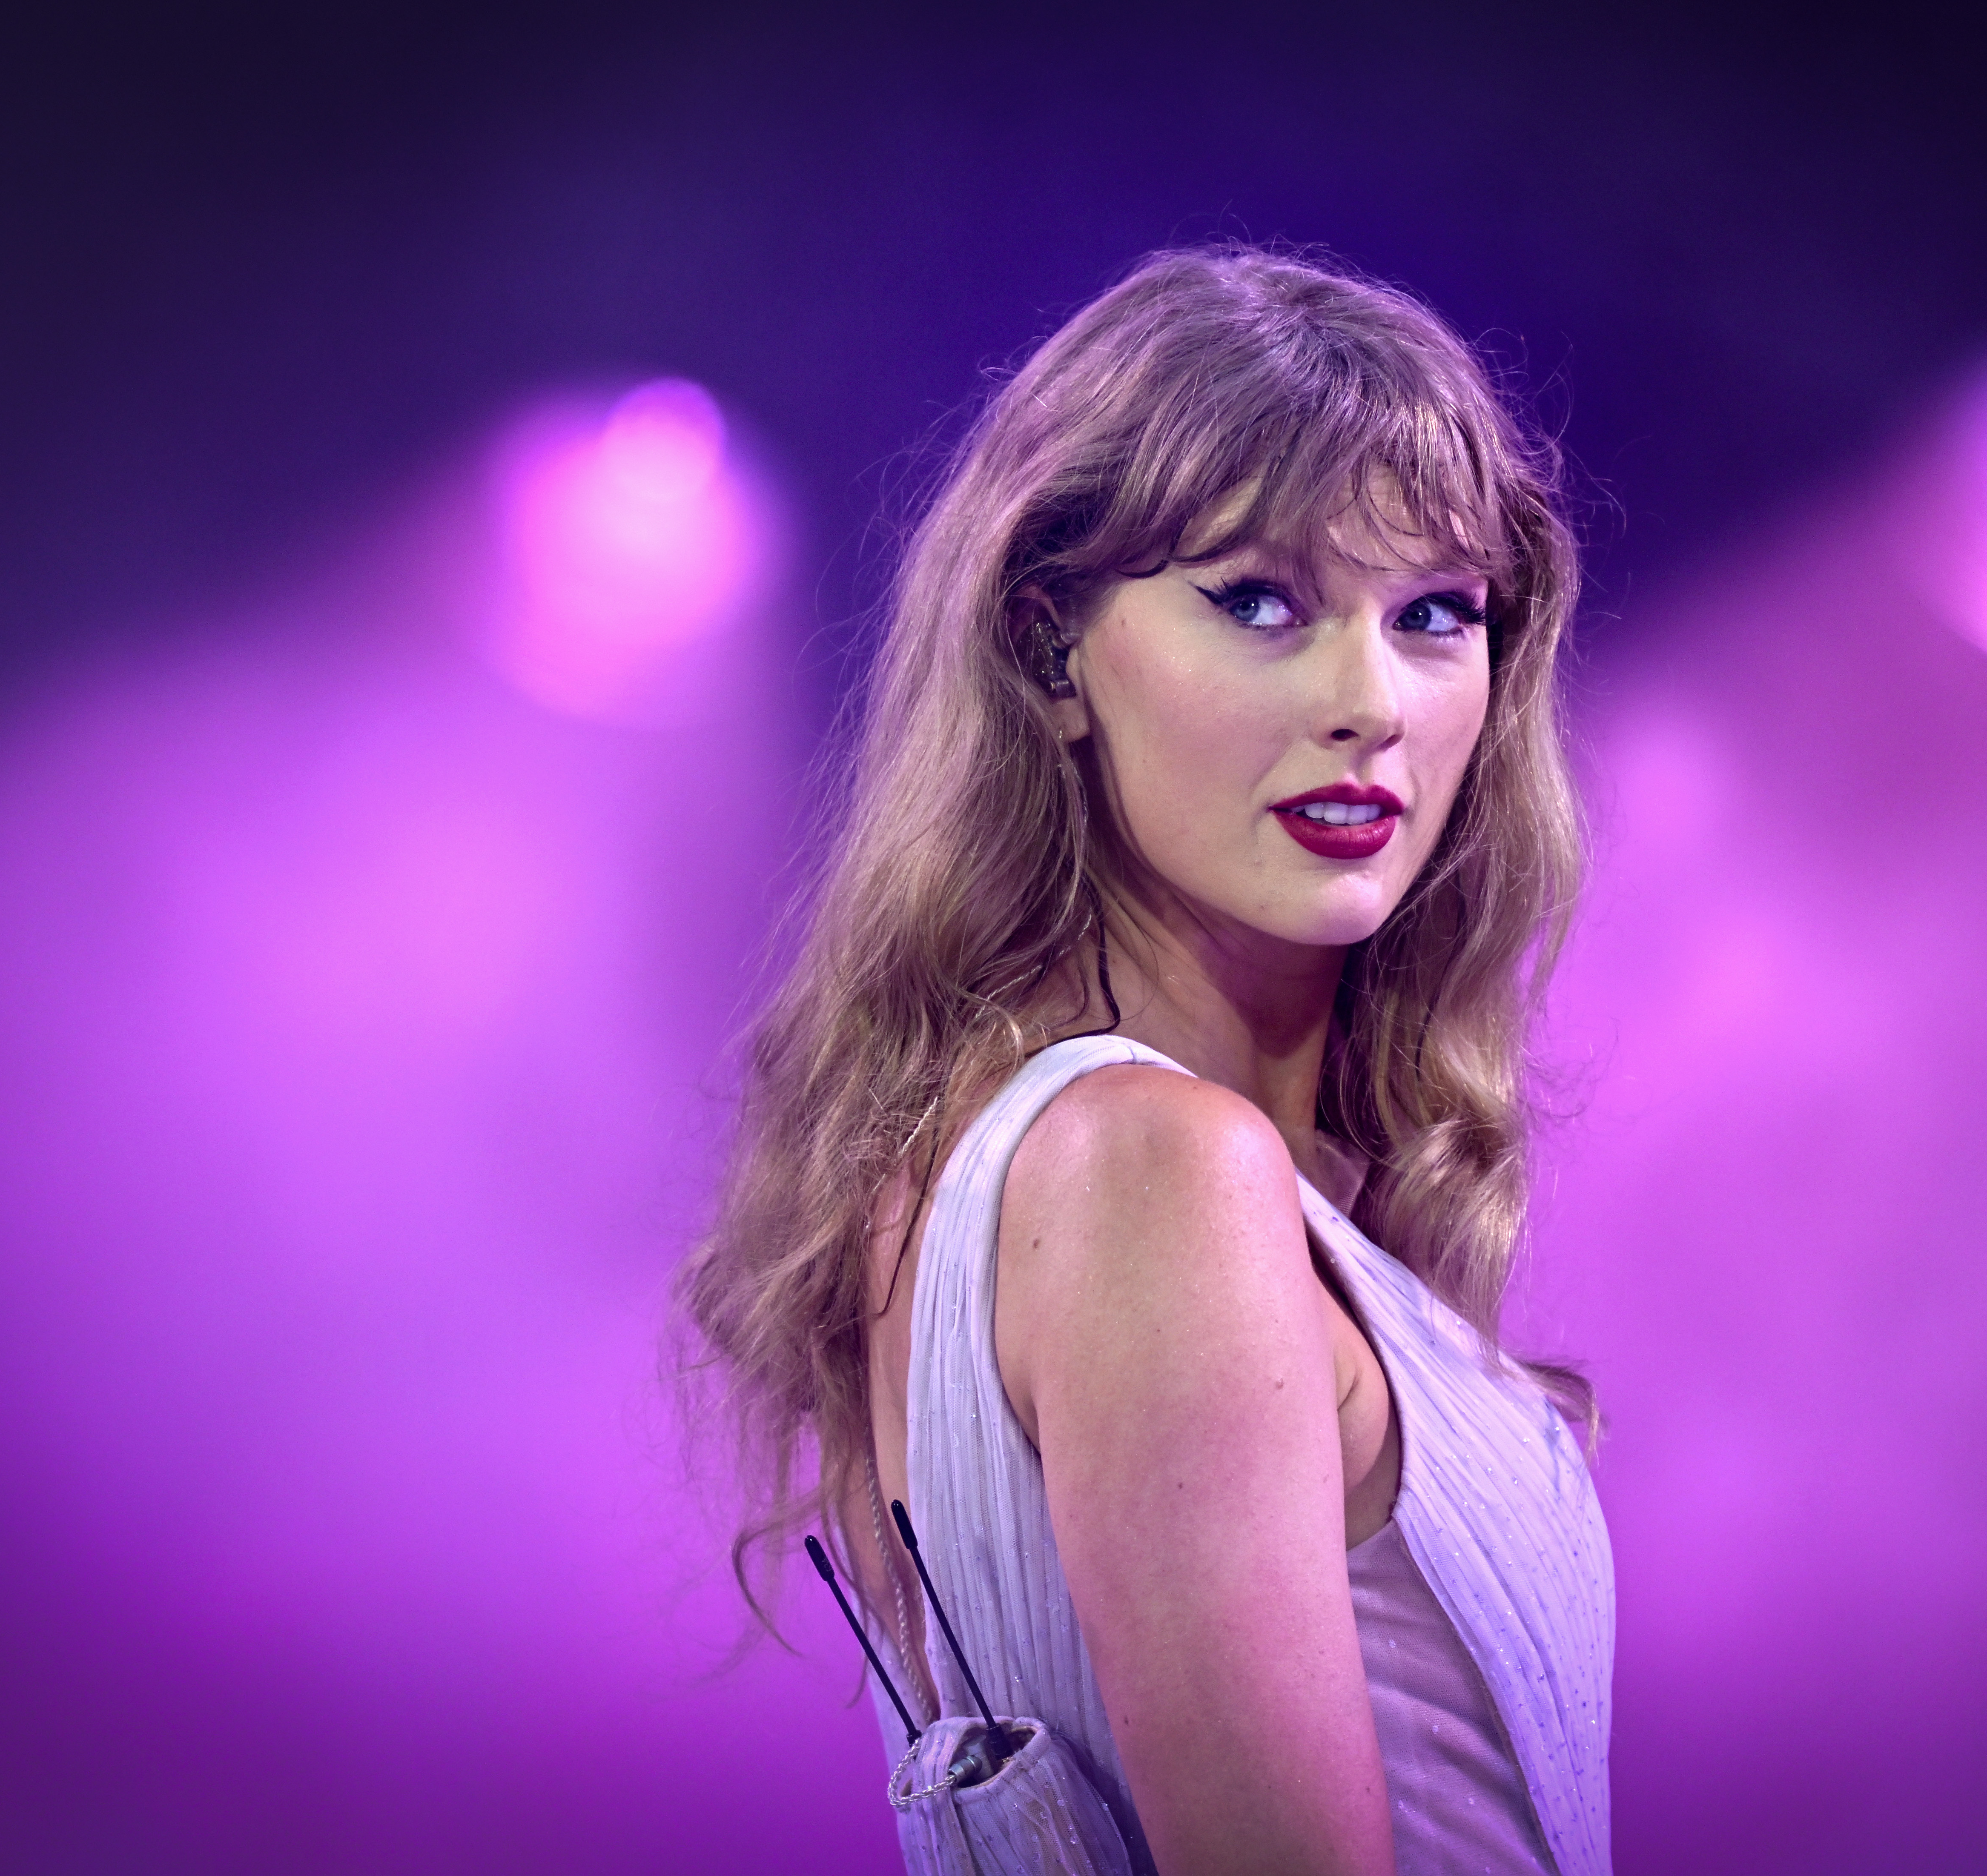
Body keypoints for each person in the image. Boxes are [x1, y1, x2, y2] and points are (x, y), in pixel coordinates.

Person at [682, 245, 1612, 1875]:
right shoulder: (1149, 1171)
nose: (1369, 702)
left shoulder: (1014, 1164)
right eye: (1259, 602)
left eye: (1433, 614)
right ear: (1048, 653)